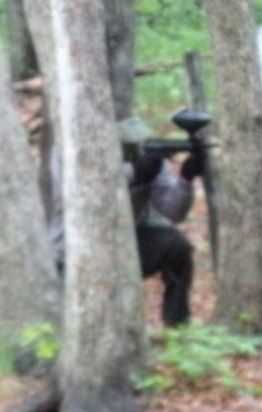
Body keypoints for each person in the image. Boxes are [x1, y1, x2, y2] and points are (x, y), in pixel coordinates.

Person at [48, 116, 205, 326]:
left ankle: (177, 324)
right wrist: (133, 173)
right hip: (72, 252)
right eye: (127, 144)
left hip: (124, 246)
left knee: (176, 246)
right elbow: (83, 194)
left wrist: (186, 179)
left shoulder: (147, 157)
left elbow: (174, 213)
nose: (133, 148)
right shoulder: (70, 150)